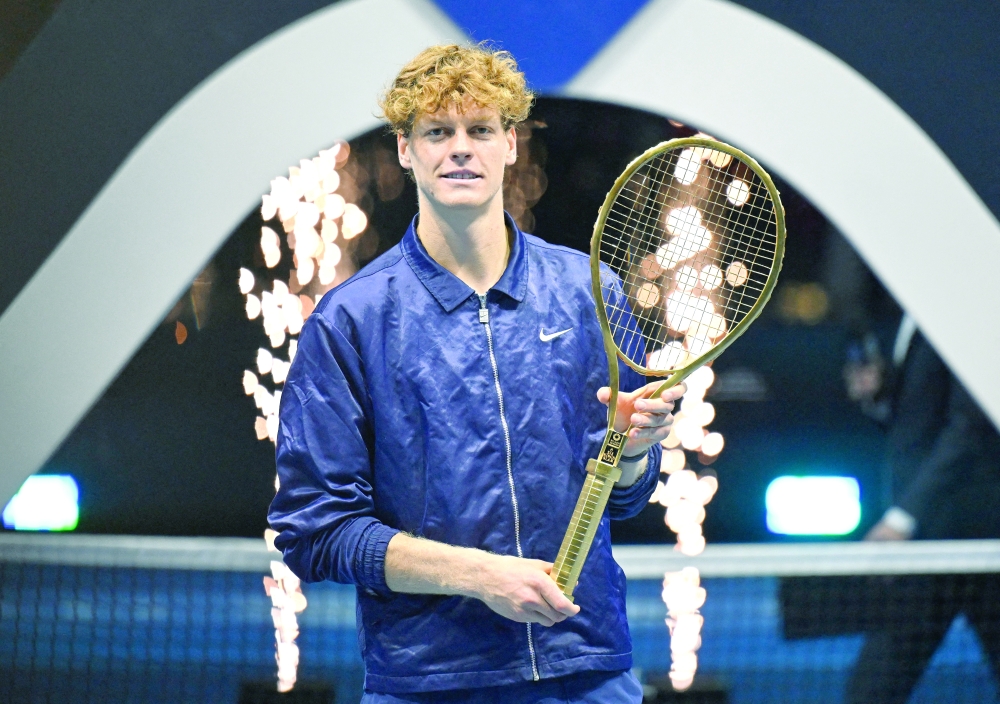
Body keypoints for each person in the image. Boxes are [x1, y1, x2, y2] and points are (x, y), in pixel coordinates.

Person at [267, 44, 682, 703]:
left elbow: (624, 498)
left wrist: (631, 456)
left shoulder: (588, 292)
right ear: (405, 150)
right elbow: (315, 532)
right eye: (437, 131)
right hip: (430, 681)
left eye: (480, 130)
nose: (460, 148)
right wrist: (482, 577)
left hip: (589, 669)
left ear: (510, 144)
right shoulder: (350, 322)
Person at [845, 314, 1000, 703]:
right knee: (873, 688)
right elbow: (921, 428)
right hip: (930, 547)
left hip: (974, 542)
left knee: (873, 689)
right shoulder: (910, 318)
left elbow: (969, 431)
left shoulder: (967, 318)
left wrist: (903, 519)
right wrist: (878, 397)